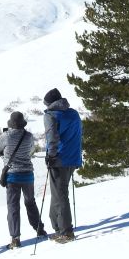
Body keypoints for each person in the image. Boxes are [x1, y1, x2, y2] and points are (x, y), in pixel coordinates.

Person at [0, 111, 47, 249]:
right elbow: (31, 151)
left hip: (13, 176)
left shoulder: (6, 135)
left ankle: (15, 238)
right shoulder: (28, 136)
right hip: (28, 174)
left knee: (13, 207)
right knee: (30, 202)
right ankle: (39, 229)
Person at [42, 88, 83, 243]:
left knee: (60, 194)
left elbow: (51, 138)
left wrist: (51, 156)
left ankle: (66, 231)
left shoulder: (50, 115)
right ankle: (58, 226)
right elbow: (79, 133)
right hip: (73, 158)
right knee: (59, 192)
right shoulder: (73, 113)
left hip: (59, 159)